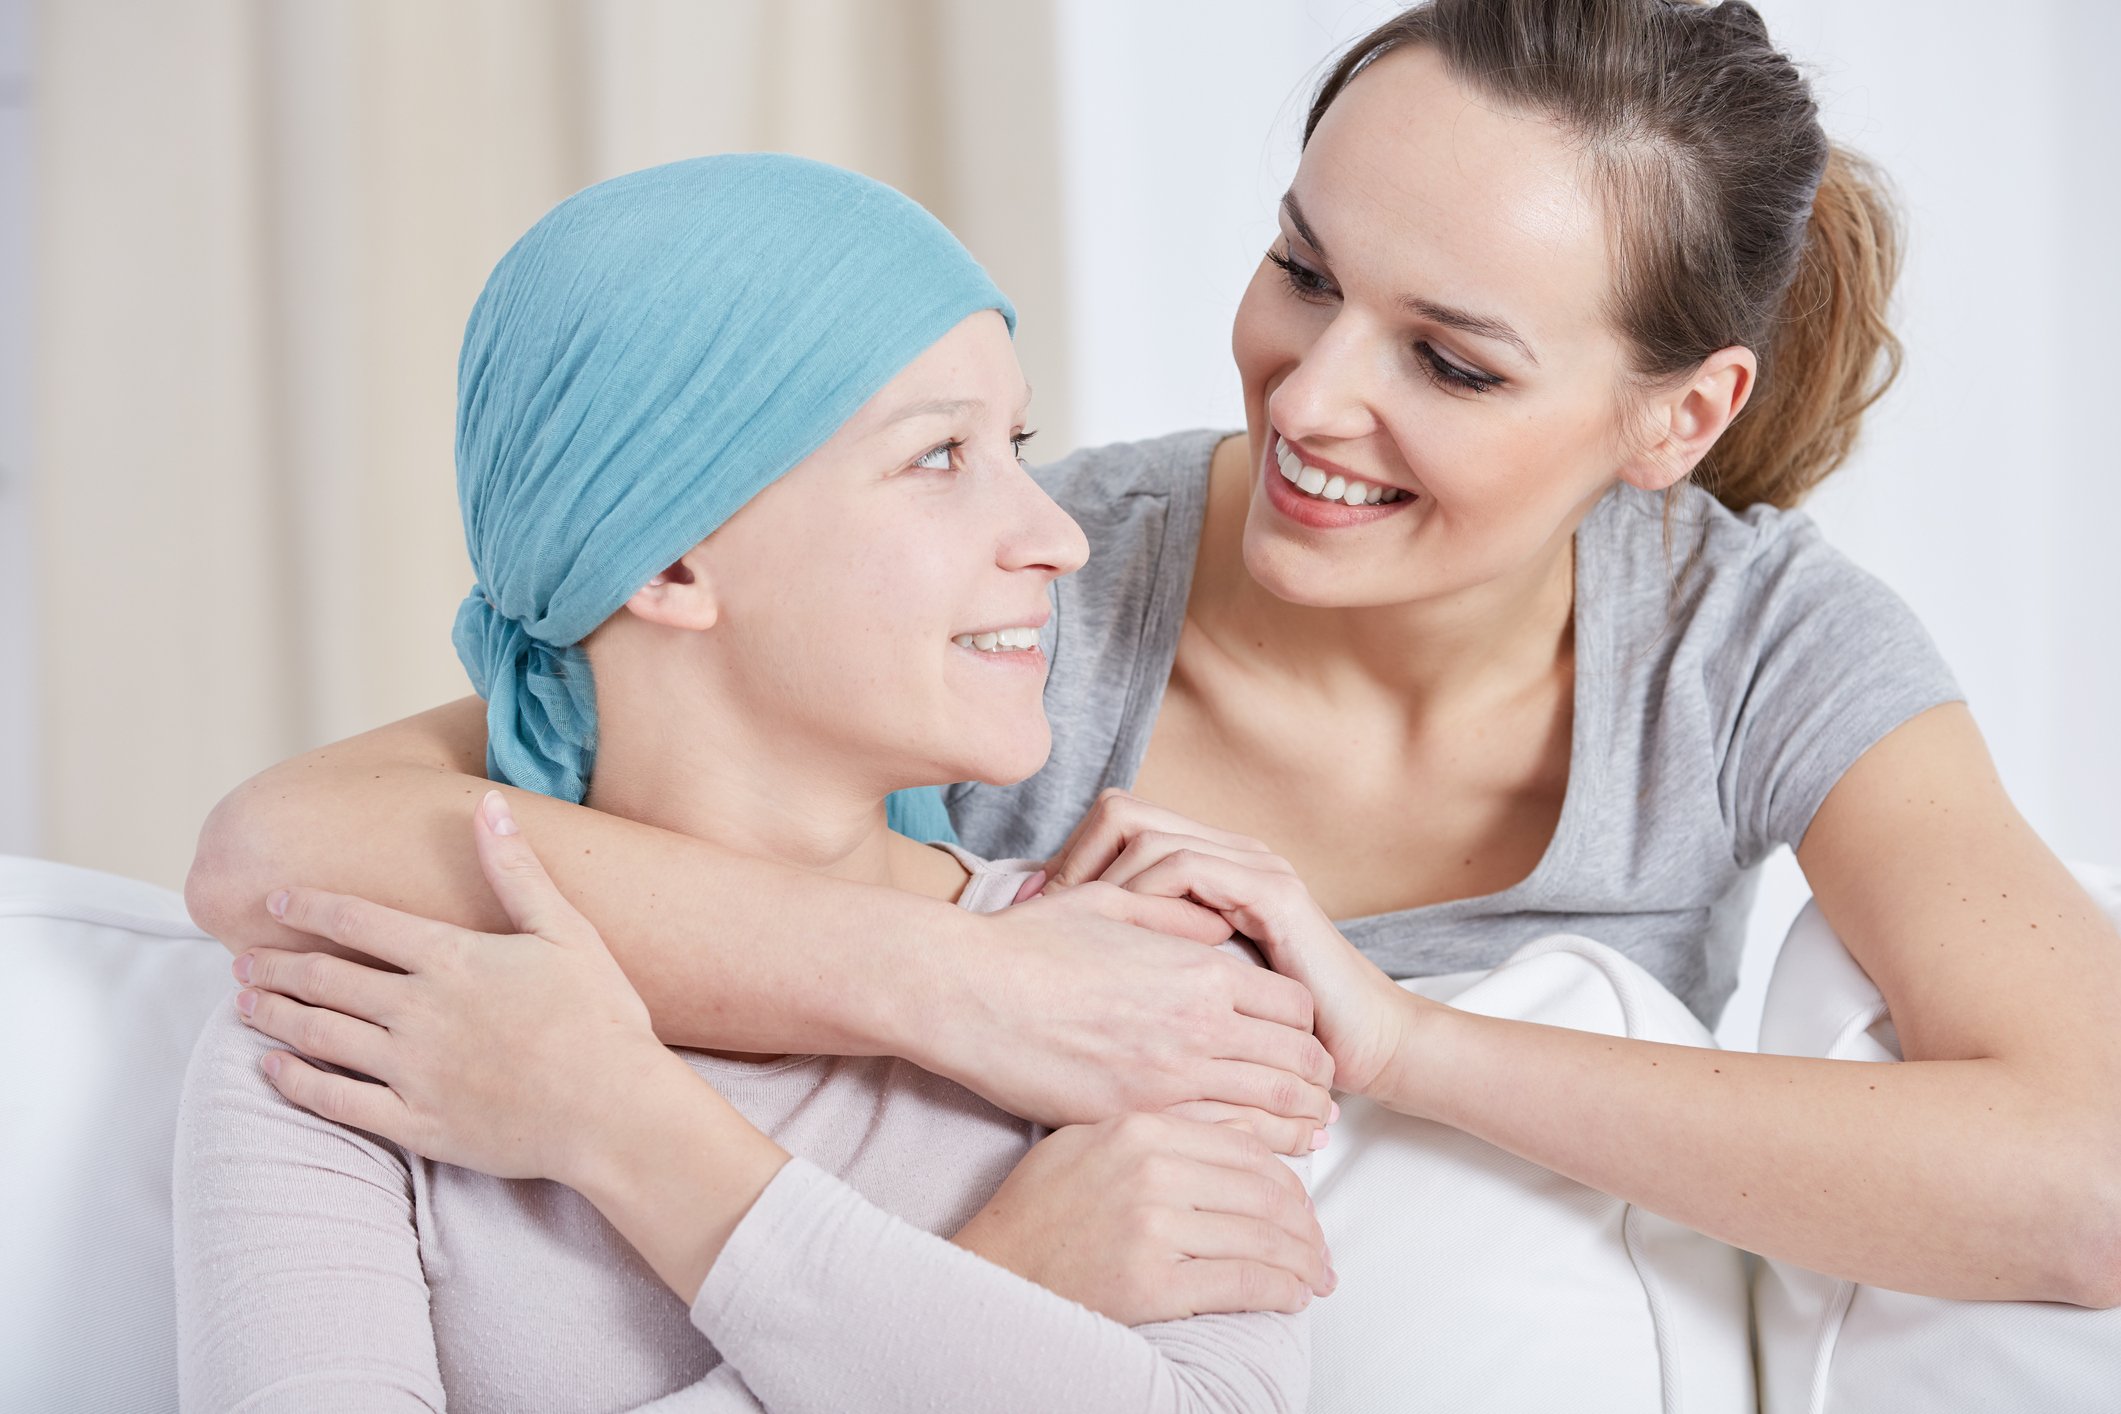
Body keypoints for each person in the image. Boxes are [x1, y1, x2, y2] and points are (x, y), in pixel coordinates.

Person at [191, 0, 2121, 1310]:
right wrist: (970, 987)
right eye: (1301, 269)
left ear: (1678, 418)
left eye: (1448, 359)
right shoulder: (1028, 583)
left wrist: (1409, 1042)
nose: (1310, 396)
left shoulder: (1749, 645)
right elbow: (291, 843)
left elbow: (2091, 1171)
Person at [174, 153, 1323, 1414]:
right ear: (667, 561)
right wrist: (999, 1281)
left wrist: (627, 1128)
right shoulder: (363, 1013)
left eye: (1020, 443)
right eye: (940, 455)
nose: (1058, 535)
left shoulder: (1133, 996)